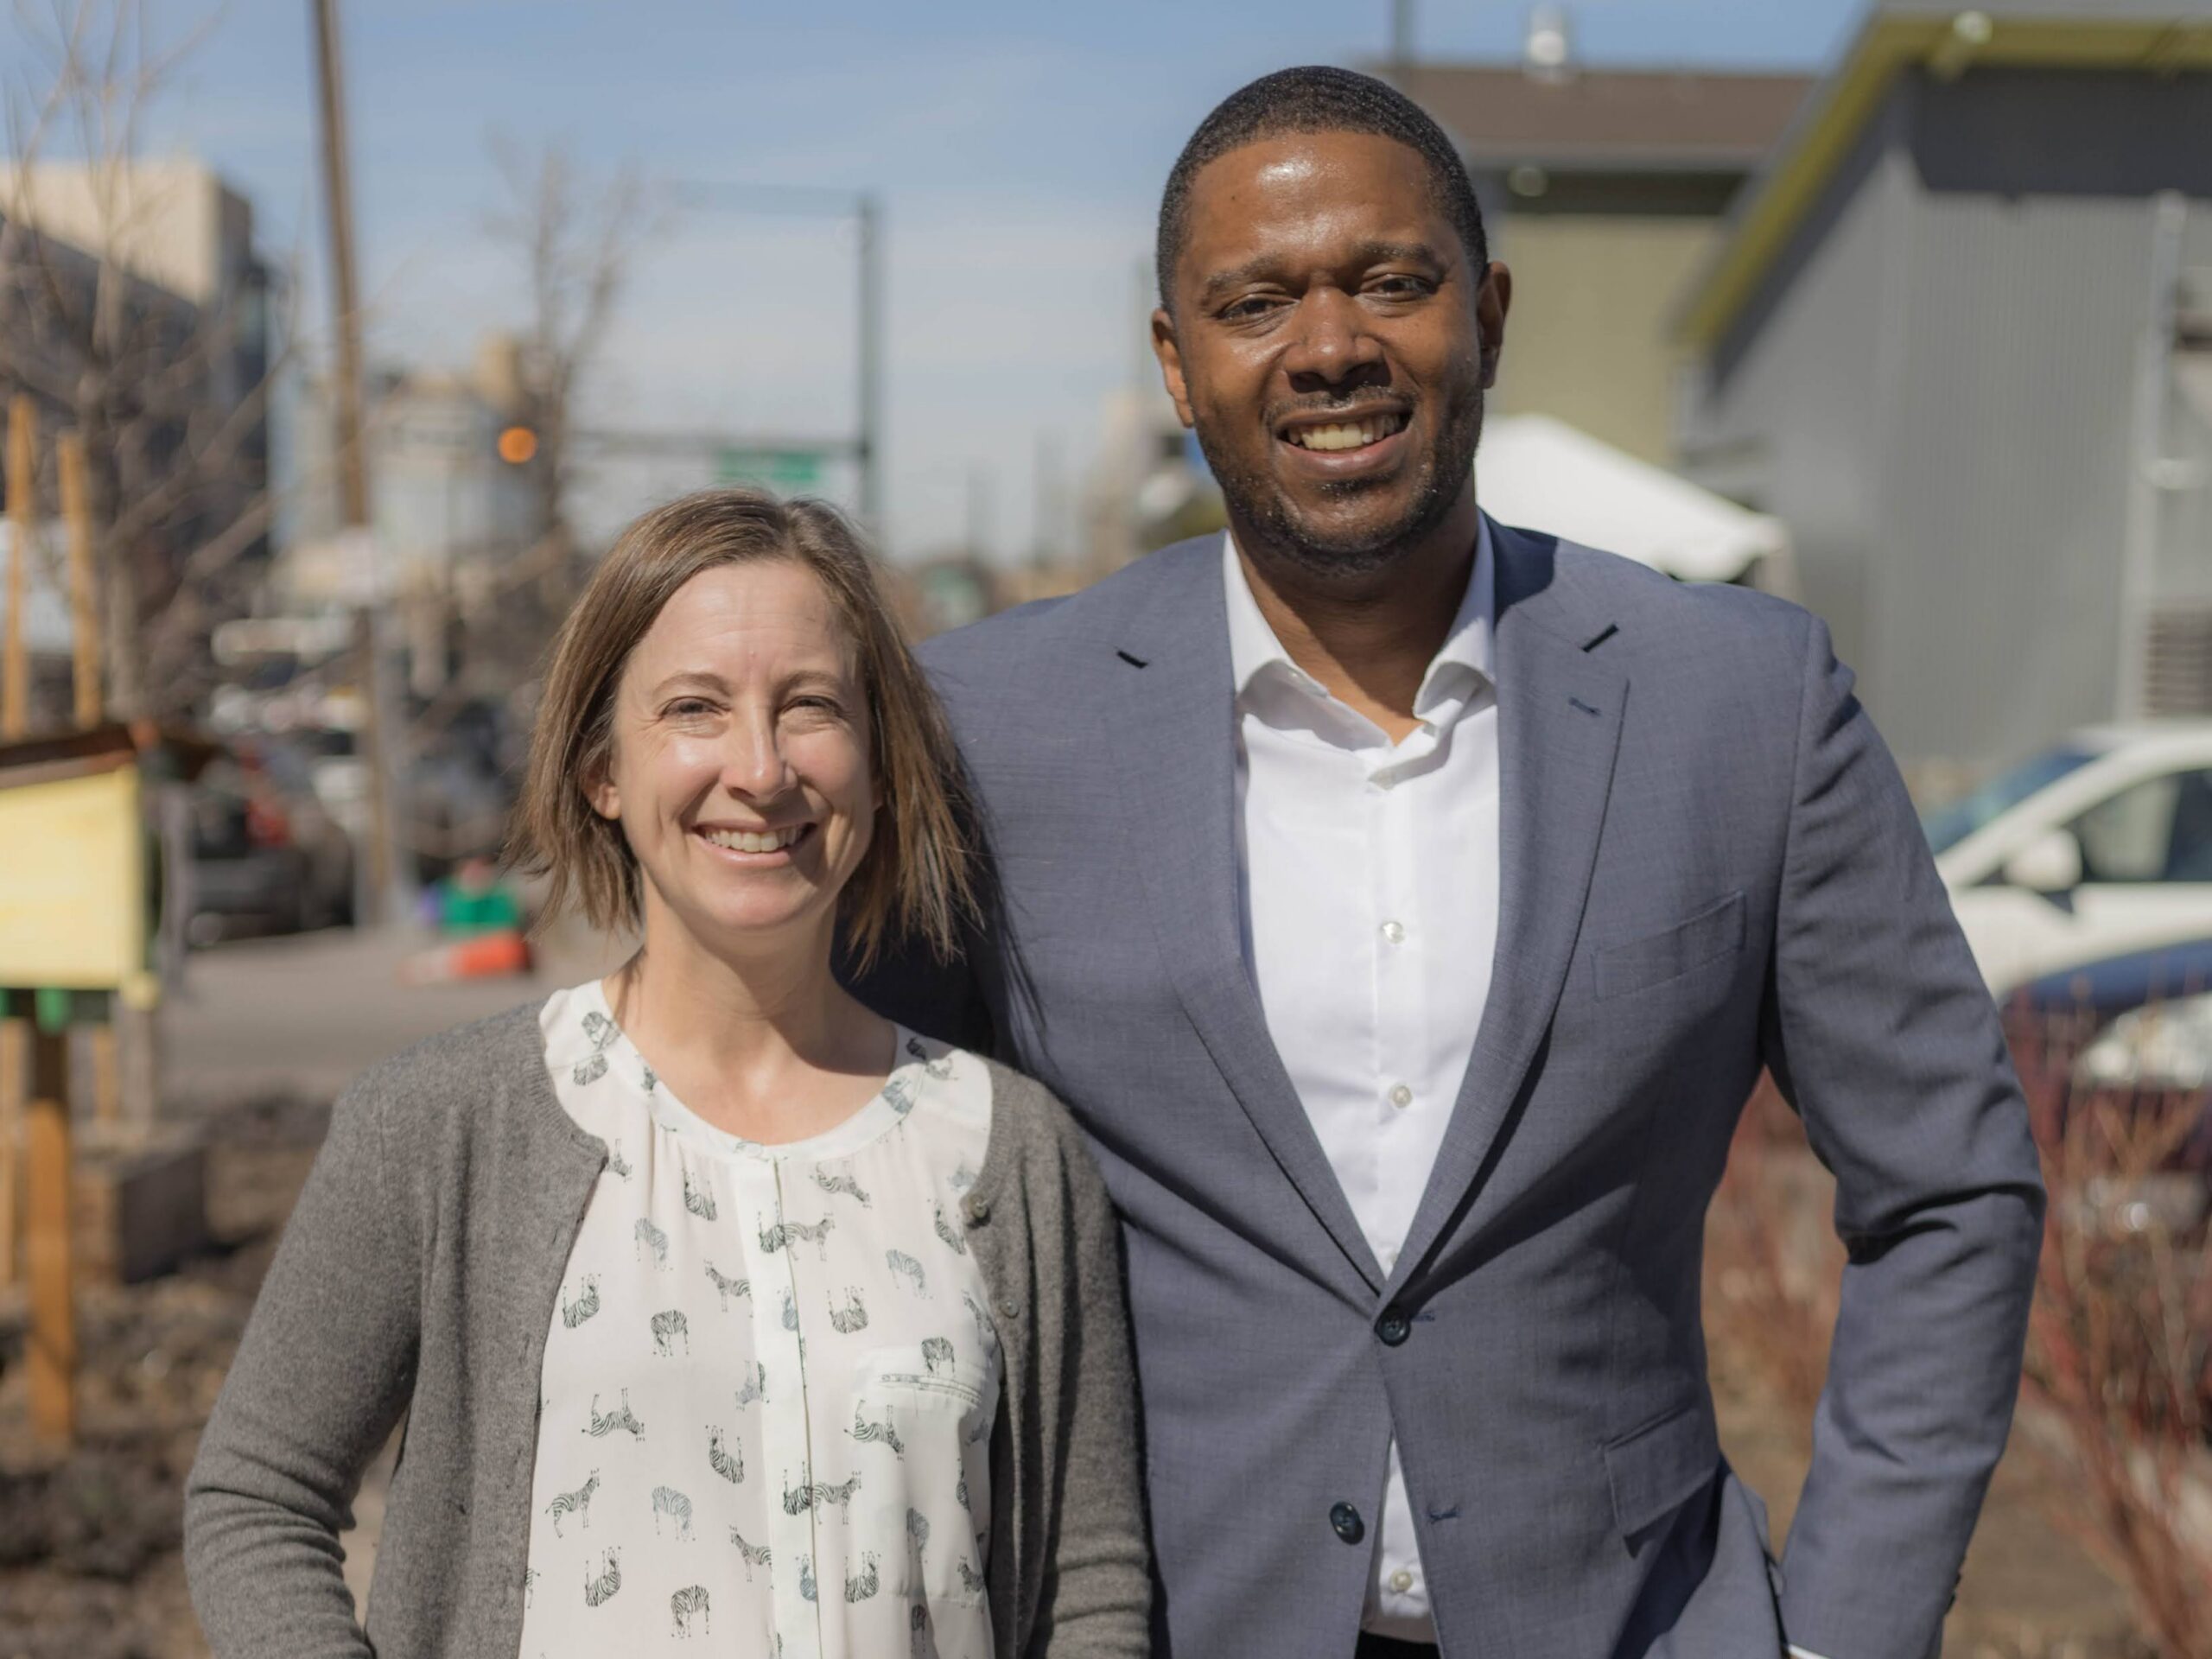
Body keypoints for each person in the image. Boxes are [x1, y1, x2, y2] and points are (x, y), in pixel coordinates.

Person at [850, 67, 2045, 1659]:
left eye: (1392, 282)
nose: (1331, 344)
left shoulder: (1743, 702)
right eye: (1256, 300)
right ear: (1176, 364)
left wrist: (1843, 1630)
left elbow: (1952, 1186)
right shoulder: (991, 730)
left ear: (1485, 311)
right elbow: (834, 1163)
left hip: (1635, 1623)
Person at [185, 491, 1151, 1659]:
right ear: (602, 768)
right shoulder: (446, 1125)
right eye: (695, 708)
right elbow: (255, 1498)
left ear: (882, 764)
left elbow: (1091, 1585)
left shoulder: (1009, 1152)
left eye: (808, 708)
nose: (759, 768)